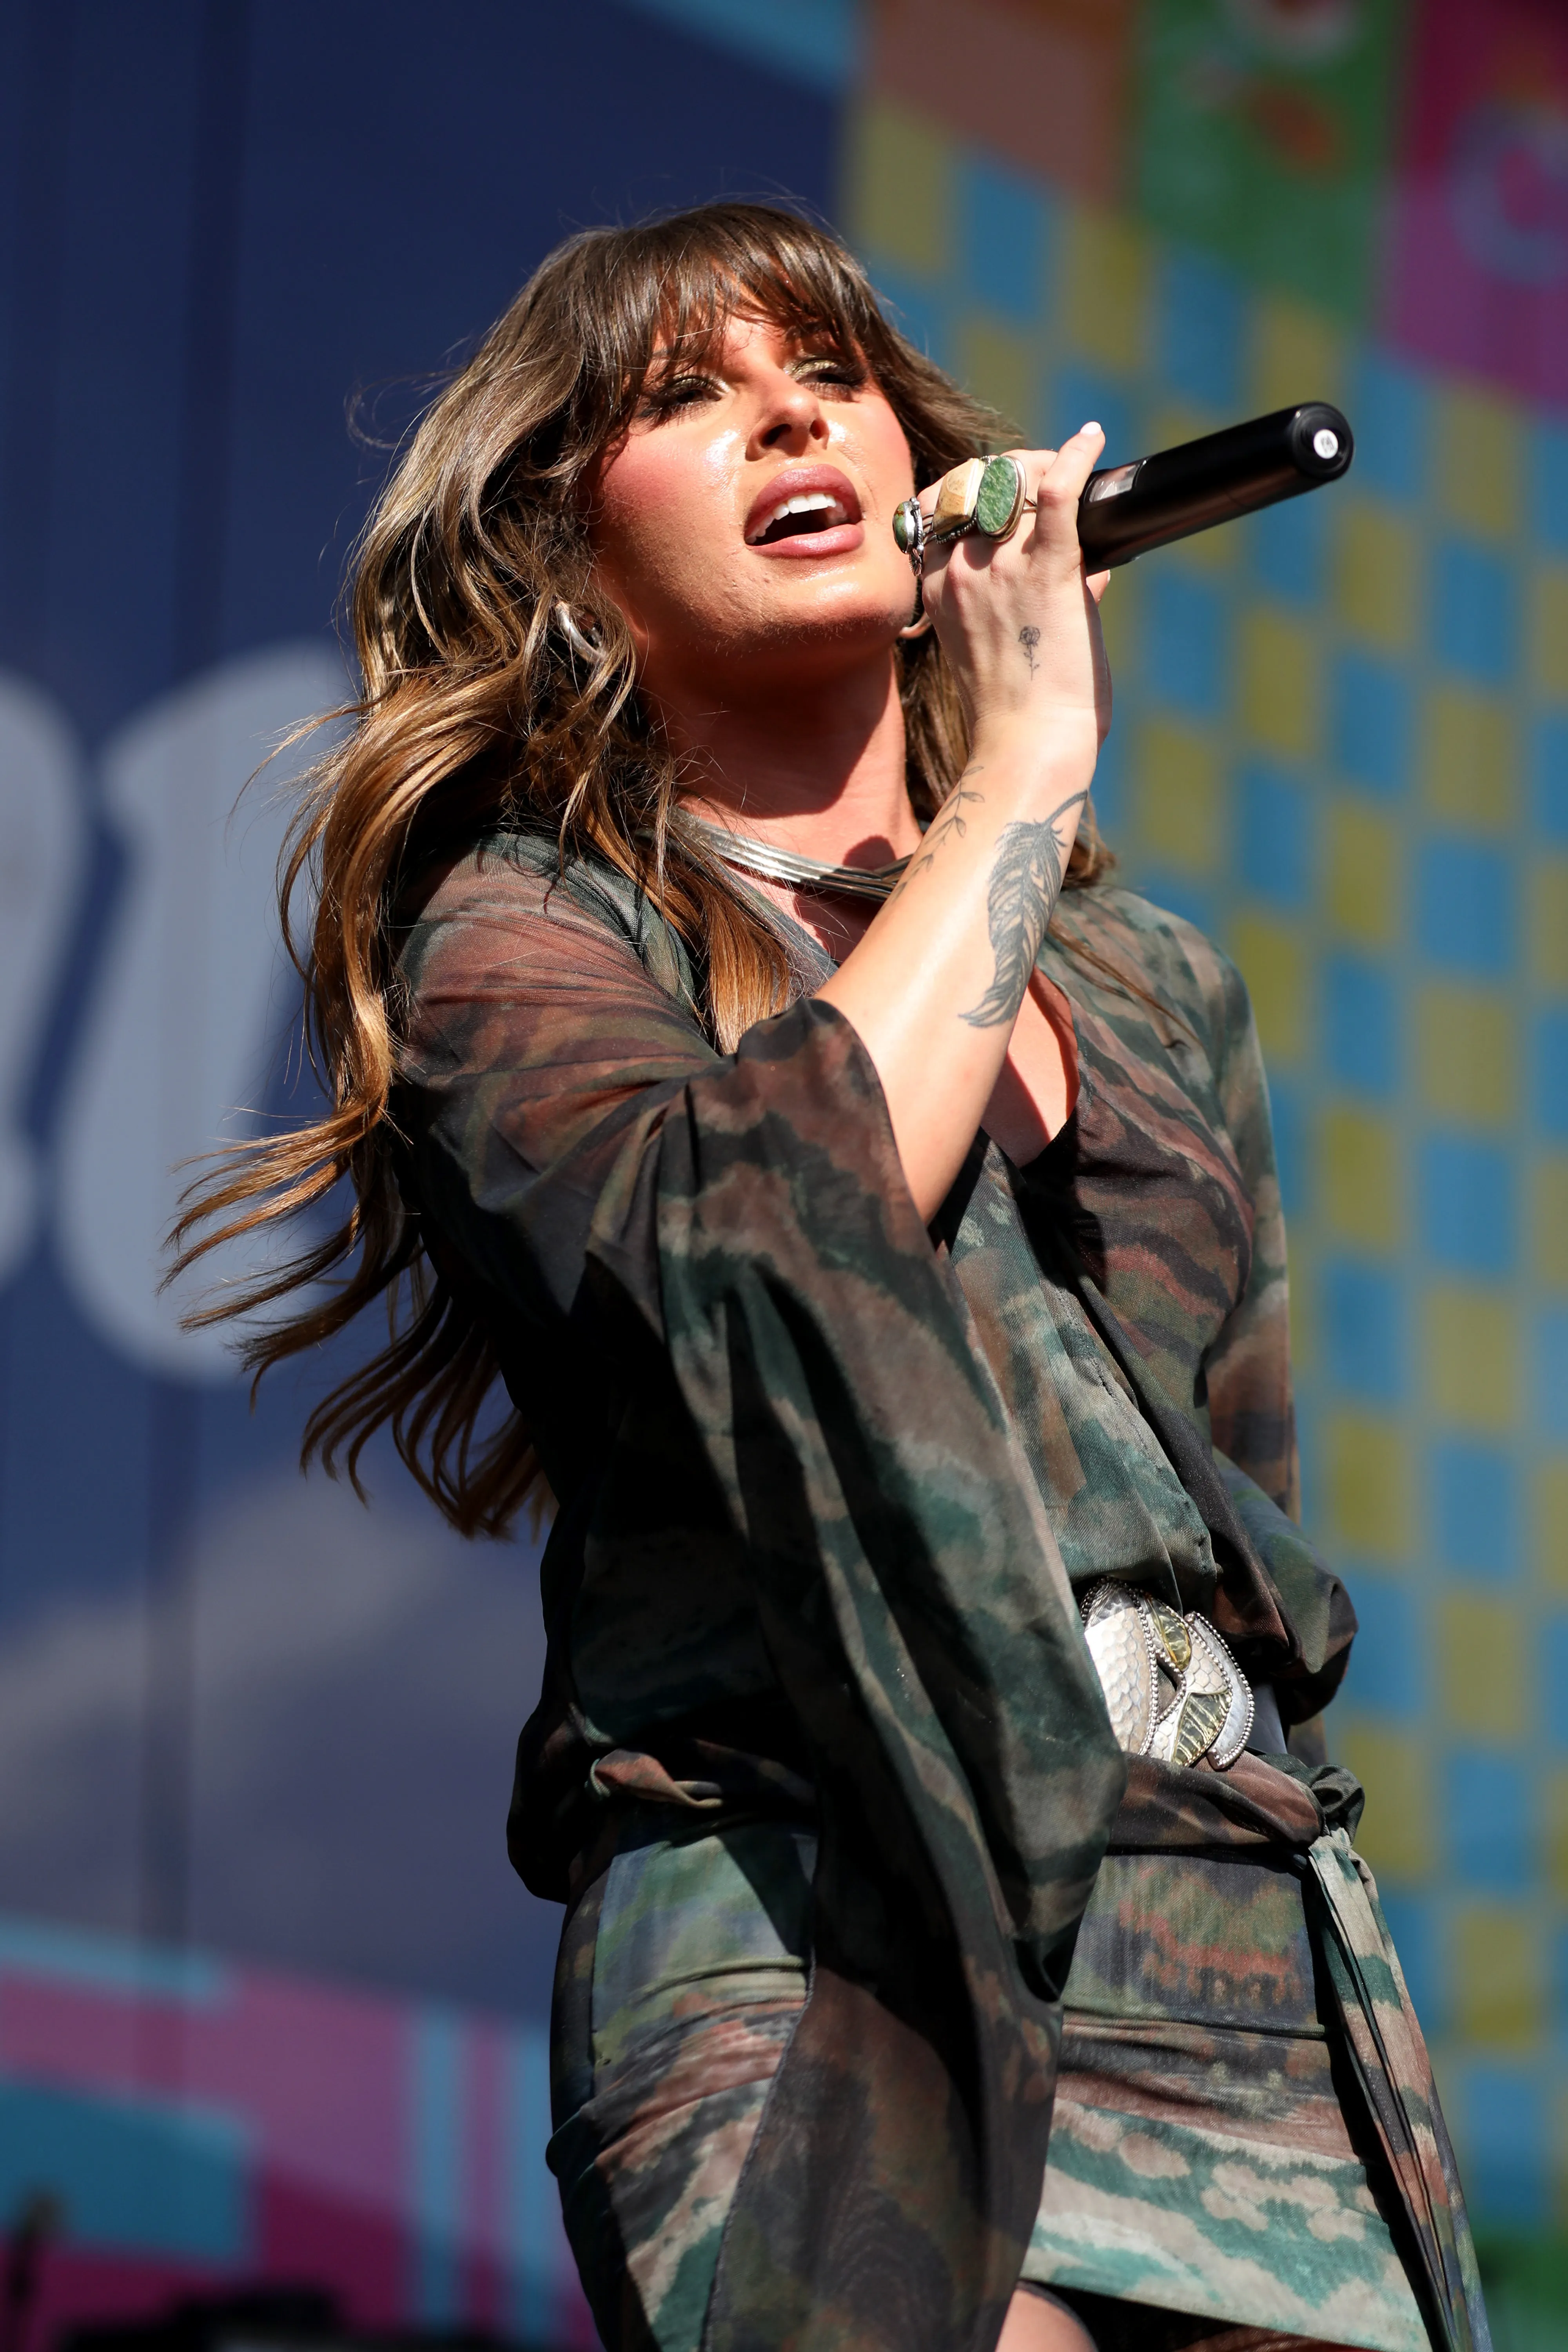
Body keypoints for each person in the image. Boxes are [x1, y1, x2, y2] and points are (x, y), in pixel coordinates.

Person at [177, 204, 1488, 2352]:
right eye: (685, 397)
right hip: (812, 1902)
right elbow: (773, 1257)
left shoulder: (1153, 985)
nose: (785, 411)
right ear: (567, 566)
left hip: (1220, 1931)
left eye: (830, 376)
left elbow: (1221, 1496)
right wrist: (1019, 781)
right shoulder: (530, 936)